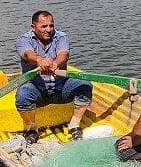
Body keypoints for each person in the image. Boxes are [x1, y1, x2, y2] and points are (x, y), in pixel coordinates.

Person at [14, 11, 92, 141]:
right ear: (33, 27)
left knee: (85, 85)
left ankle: (74, 125)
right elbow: (27, 54)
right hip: (37, 89)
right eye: (44, 26)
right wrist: (40, 60)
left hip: (61, 87)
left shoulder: (61, 37)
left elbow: (63, 54)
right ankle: (32, 129)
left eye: (51, 25)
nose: (48, 30)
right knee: (23, 94)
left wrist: (56, 63)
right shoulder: (23, 39)